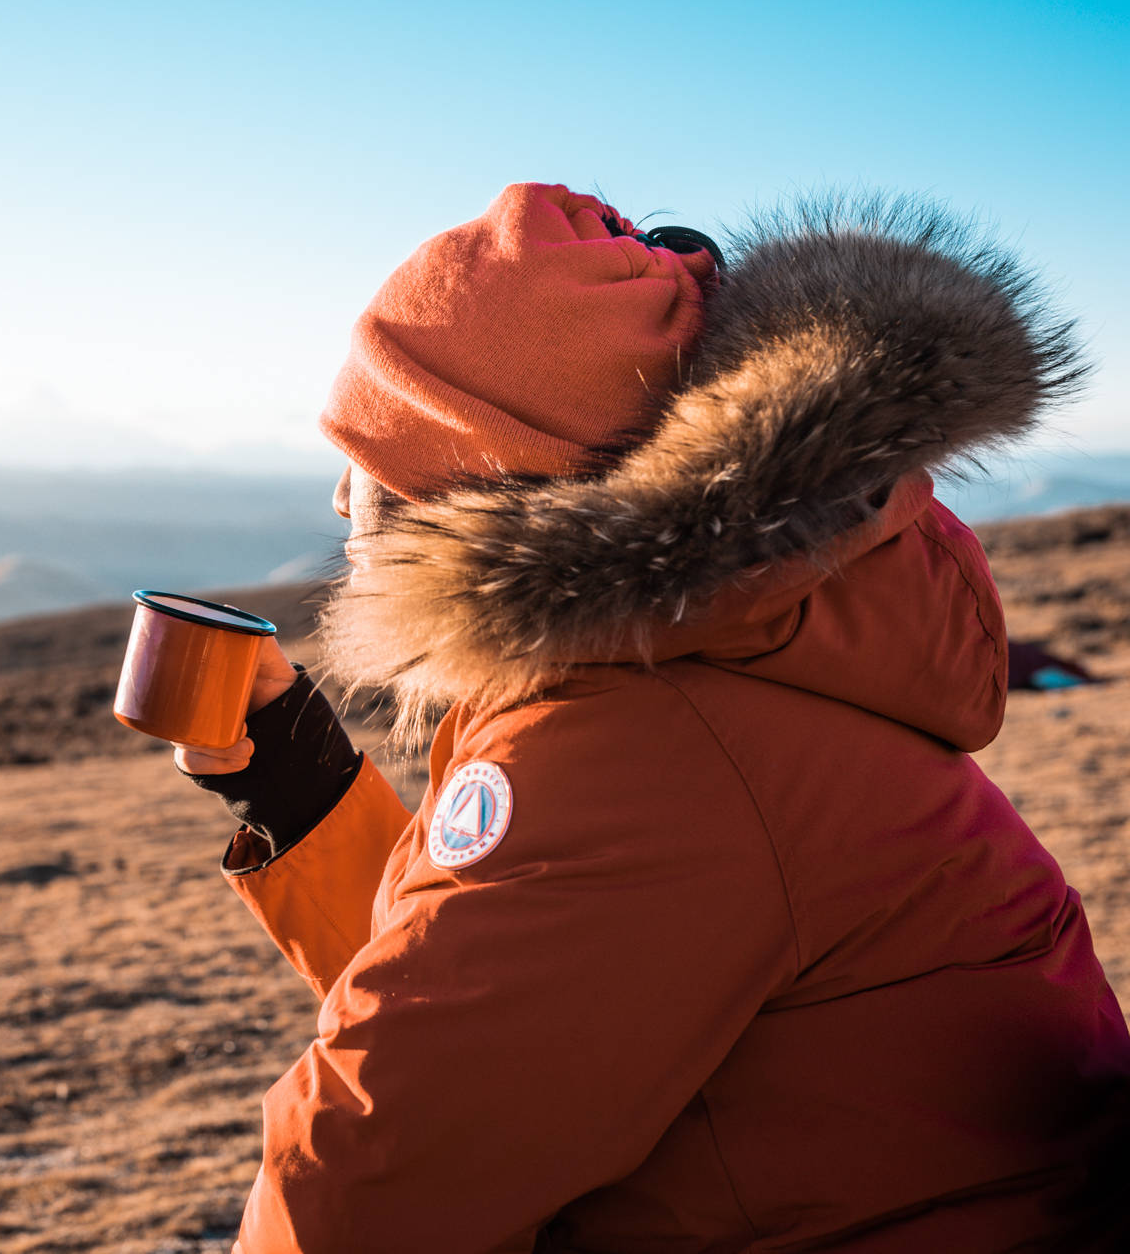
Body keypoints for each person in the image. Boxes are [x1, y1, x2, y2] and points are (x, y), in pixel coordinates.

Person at [172, 183, 1130, 1252]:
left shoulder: (643, 745)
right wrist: (300, 791)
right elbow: (492, 1009)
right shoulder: (721, 664)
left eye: (368, 455)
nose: (340, 500)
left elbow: (367, 1191)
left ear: (471, 484)